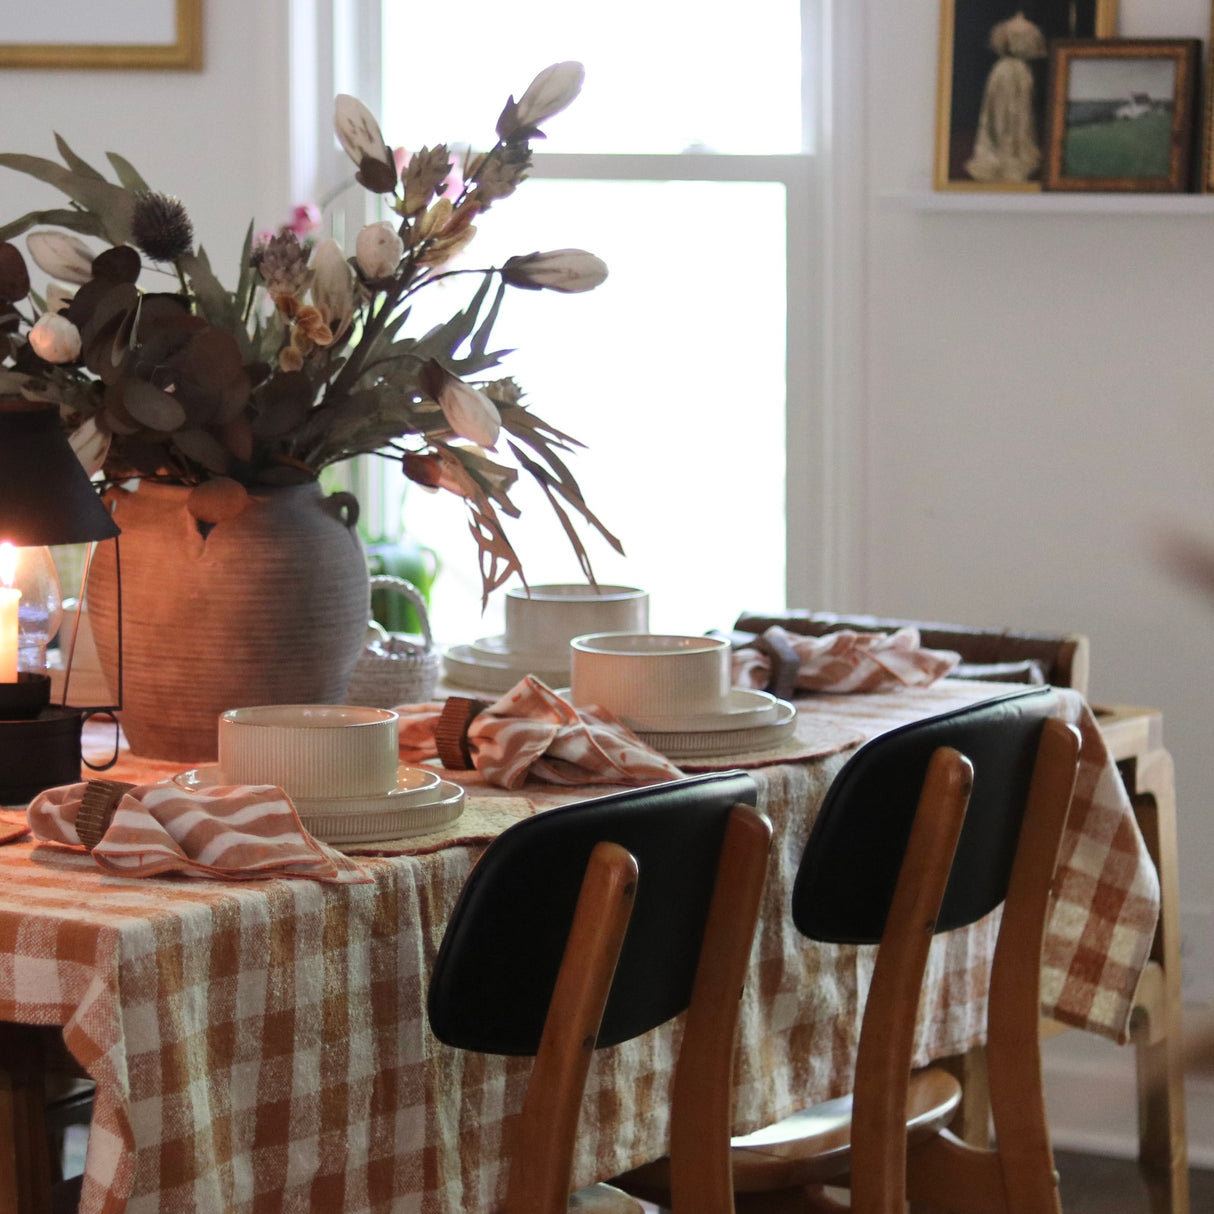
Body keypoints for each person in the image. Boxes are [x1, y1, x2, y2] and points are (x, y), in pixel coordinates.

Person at [965, 11, 1048, 183]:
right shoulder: (1025, 30)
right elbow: (1035, 50)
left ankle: (1009, 151)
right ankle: (1005, 151)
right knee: (1005, 112)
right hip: (1010, 73)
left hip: (1006, 71)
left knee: (1013, 112)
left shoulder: (1007, 30)